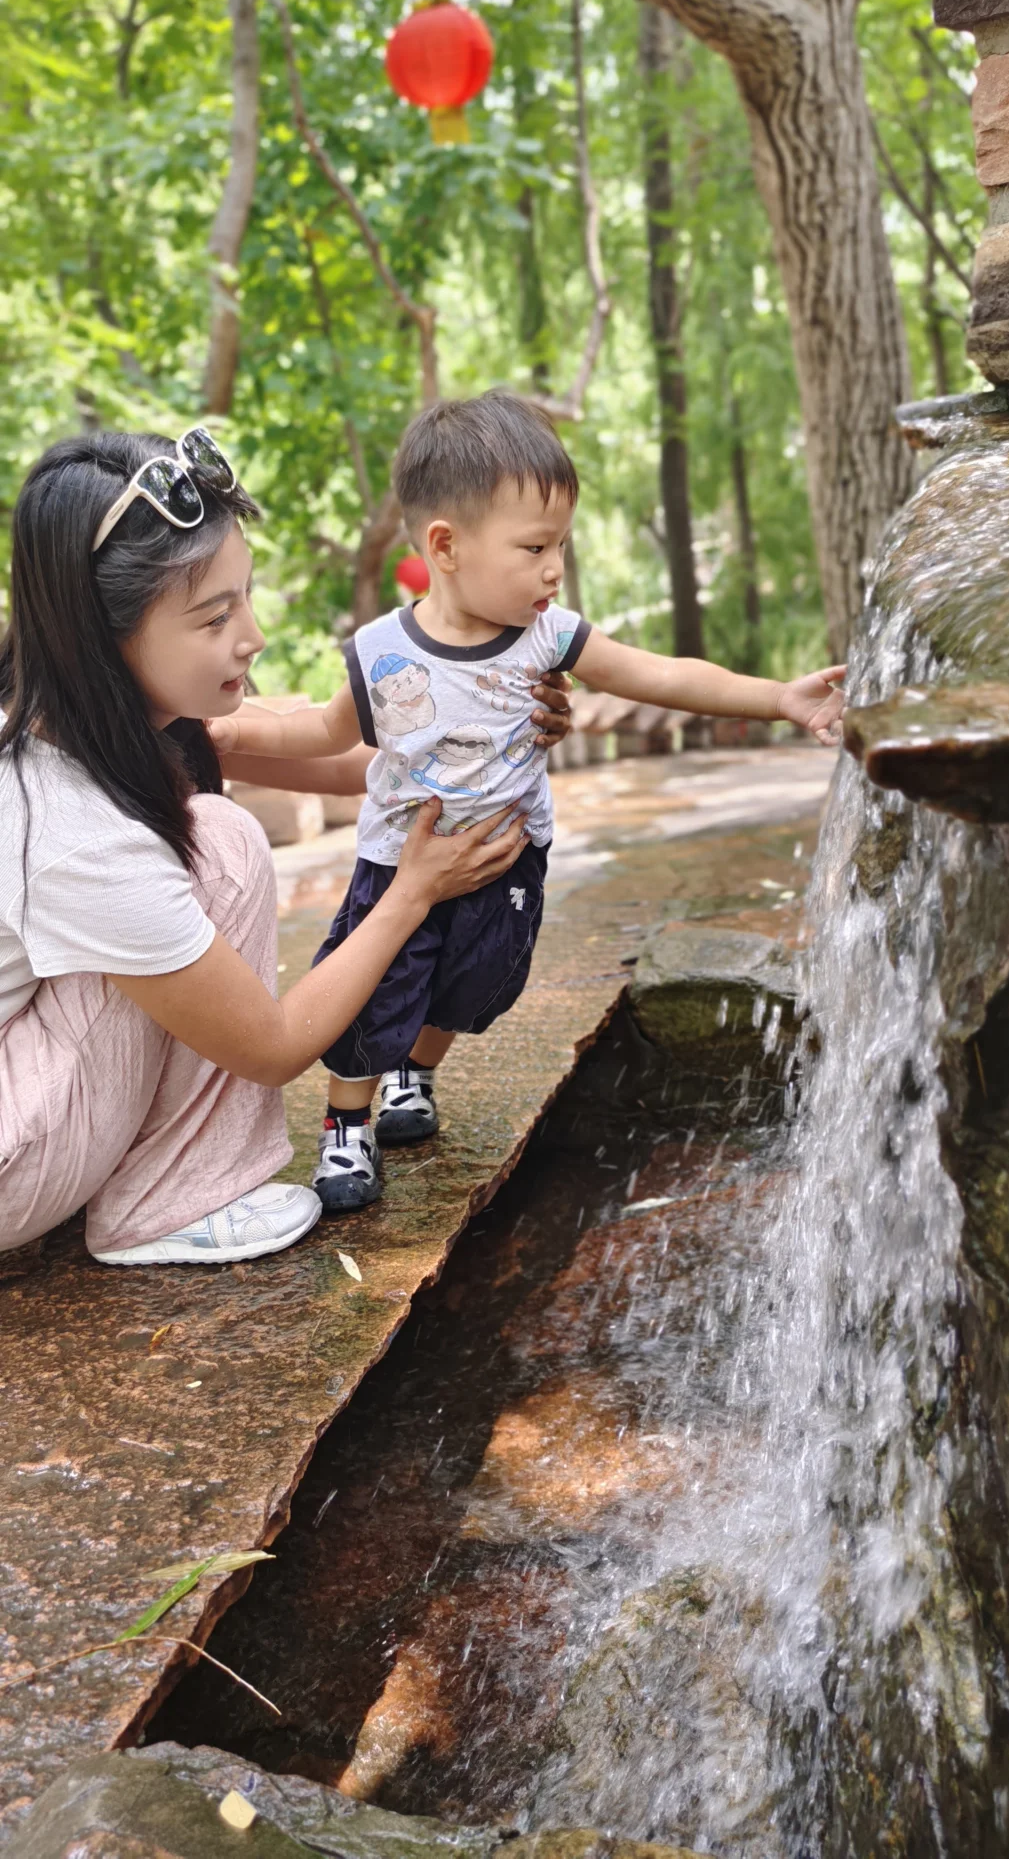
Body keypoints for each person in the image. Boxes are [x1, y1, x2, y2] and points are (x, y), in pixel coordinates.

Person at [210, 390, 846, 1215]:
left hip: (505, 861)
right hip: (398, 862)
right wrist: (232, 734)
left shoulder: (549, 637)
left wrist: (778, 698)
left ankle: (415, 1072)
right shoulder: (384, 652)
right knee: (374, 994)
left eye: (562, 545)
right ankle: (346, 1123)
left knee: (472, 987)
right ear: (446, 546)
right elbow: (326, 732)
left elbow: (659, 673)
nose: (555, 568)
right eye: (536, 546)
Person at [0, 427, 572, 1268]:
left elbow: (366, 764)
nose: (254, 634)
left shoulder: (70, 712)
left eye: (245, 596)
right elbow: (270, 1045)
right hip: (12, 1158)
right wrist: (412, 892)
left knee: (203, 846)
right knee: (222, 842)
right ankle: (166, 1201)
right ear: (100, 636)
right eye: (214, 616)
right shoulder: (72, 824)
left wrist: (496, 725)